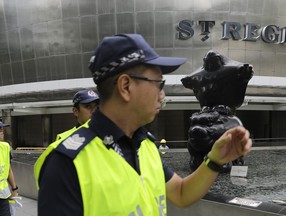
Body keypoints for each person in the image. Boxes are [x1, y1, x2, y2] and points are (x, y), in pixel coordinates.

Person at [34, 34, 252, 215]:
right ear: (126, 86)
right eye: (158, 83)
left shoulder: (144, 145)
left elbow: (181, 193)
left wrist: (214, 160)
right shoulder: (66, 164)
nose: (162, 95)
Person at [0, 122, 18, 216]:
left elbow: (8, 169)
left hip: (3, 196)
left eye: (2, 129)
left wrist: (14, 189)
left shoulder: (5, 147)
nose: (2, 131)